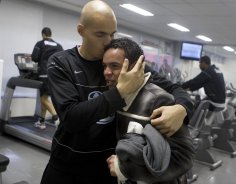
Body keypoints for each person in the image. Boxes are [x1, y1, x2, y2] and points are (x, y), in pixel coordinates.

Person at [41, 1, 194, 183]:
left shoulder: (125, 64)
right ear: (81, 31)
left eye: (112, 34)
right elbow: (72, 118)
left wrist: (182, 109)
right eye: (100, 34)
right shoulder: (61, 62)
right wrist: (121, 92)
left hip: (107, 166)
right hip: (67, 165)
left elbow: (175, 88)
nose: (108, 41)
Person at [104, 37, 194, 184]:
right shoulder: (114, 95)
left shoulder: (159, 101)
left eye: (114, 66)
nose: (106, 72)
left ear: (136, 67)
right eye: (105, 66)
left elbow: (184, 159)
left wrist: (124, 170)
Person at [31, 27, 63, 129]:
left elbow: (34, 58)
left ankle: (56, 118)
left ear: (43, 34)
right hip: (56, 76)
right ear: (50, 34)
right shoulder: (58, 46)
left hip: (44, 74)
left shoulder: (40, 44)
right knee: (44, 97)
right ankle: (42, 121)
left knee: (44, 99)